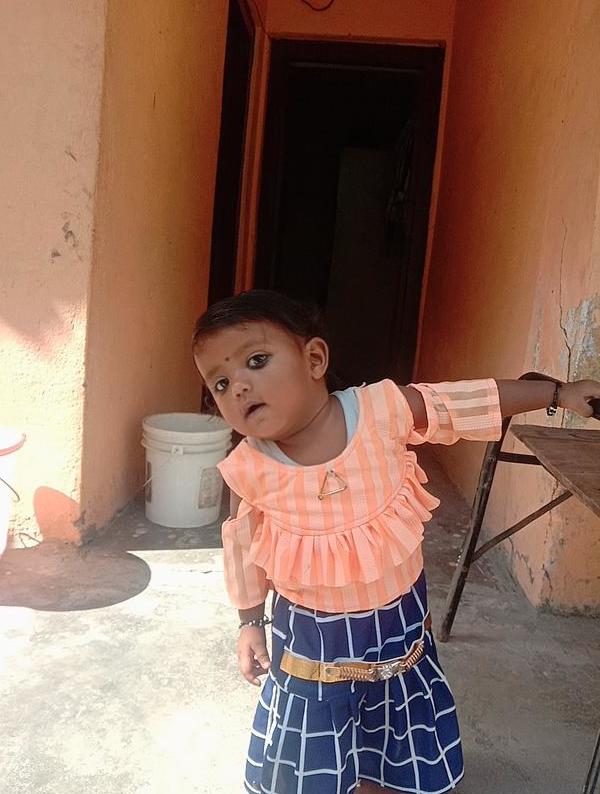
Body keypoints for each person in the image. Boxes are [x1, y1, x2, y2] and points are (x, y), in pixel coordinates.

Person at [191, 289, 600, 794]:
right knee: (321, 735)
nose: (239, 386)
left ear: (314, 359)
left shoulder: (381, 410)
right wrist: (250, 623)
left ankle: (381, 779)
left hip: (397, 616)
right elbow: (242, 551)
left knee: (394, 715)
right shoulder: (249, 469)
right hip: (312, 637)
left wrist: (558, 393)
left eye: (256, 360)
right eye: (220, 382)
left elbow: (464, 401)